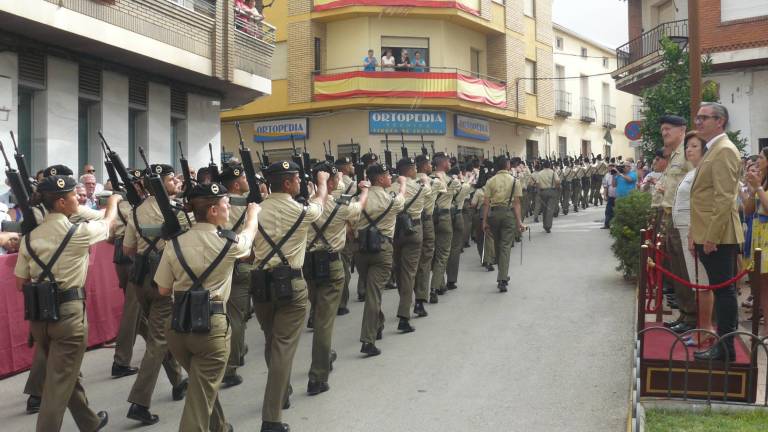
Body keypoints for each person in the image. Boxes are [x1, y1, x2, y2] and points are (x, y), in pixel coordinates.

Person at [14, 174, 119, 431]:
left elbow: (20, 282)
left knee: (64, 372)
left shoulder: (30, 238)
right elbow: (108, 226)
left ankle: (89, 422)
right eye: (74, 195)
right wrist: (114, 201)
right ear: (61, 202)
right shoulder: (77, 233)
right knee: (58, 382)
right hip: (68, 315)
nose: (78, 198)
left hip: (40, 317)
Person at [155, 182, 260, 432]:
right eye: (225, 205)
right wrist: (253, 215)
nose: (228, 209)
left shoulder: (174, 243)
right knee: (200, 395)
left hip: (179, 325)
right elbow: (247, 239)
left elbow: (162, 289)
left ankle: (220, 426)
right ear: (213, 210)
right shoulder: (226, 243)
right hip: (211, 327)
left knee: (201, 385)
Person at [251, 160, 328, 432]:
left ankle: (280, 393)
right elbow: (320, 205)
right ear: (287, 183)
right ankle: (271, 418)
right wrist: (321, 183)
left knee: (272, 341)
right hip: (290, 285)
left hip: (260, 285)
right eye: (296, 178)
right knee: (283, 347)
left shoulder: (256, 209)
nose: (299, 182)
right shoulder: (300, 210)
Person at [123, 164, 188, 425]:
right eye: (172, 180)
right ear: (161, 185)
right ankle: (140, 401)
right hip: (163, 279)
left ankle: (177, 380)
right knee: (158, 339)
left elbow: (128, 249)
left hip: (141, 281)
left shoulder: (136, 211)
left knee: (158, 334)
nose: (176, 183)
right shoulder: (175, 210)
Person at [305, 162, 367, 395]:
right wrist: (365, 190)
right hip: (331, 263)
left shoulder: (305, 204)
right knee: (324, 320)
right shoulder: (340, 206)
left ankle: (326, 353)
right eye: (335, 179)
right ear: (329, 182)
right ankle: (318, 376)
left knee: (318, 309)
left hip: (308, 264)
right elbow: (359, 207)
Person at [690, 102, 744, 362]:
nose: (698, 122)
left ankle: (725, 349)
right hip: (711, 233)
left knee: (724, 292)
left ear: (720, 121)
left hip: (719, 236)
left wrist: (711, 235)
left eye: (704, 118)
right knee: (721, 290)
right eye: (697, 118)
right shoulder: (714, 149)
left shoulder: (723, 150)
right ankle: (724, 347)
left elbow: (724, 199)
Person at [356, 163, 406, 356]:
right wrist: (401, 185)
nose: (389, 178)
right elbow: (402, 199)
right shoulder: (389, 199)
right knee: (374, 294)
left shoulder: (360, 197)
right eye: (387, 175)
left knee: (372, 292)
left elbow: (351, 219)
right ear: (379, 179)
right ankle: (368, 341)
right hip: (382, 248)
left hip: (361, 249)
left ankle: (378, 322)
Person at [655, 115, 697, 336]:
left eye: (668, 129)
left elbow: (696, 182)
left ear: (682, 130)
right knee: (677, 270)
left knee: (686, 270)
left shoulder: (688, 152)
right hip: (671, 216)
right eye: (662, 129)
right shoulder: (673, 155)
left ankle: (693, 317)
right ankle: (685, 313)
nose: (664, 133)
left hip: (684, 218)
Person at [672, 131, 712, 346]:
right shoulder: (693, 171)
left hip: (693, 230)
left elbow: (701, 206)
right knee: (696, 283)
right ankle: (700, 327)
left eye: (694, 146)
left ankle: (706, 330)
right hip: (684, 228)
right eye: (688, 146)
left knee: (702, 282)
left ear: (705, 149)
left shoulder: (703, 172)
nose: (689, 149)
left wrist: (693, 232)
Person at [218, 164, 255, 388]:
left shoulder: (218, 204)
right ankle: (231, 366)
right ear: (235, 183)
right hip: (241, 264)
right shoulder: (247, 206)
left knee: (230, 314)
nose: (245, 180)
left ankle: (238, 349)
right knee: (237, 317)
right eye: (242, 177)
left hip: (221, 265)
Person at [111, 169, 147, 379]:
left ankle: (159, 347)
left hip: (128, 255)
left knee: (139, 309)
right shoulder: (126, 203)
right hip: (129, 257)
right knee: (132, 310)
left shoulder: (134, 202)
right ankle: (121, 361)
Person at [482, 156, 525, 291]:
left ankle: (503, 275)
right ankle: (502, 278)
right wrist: (519, 222)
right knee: (505, 246)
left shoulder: (490, 181)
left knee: (497, 245)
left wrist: (484, 221)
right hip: (508, 214)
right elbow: (517, 203)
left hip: (494, 214)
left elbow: (486, 203)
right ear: (507, 165)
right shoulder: (514, 181)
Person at [392, 157, 425, 332]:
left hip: (395, 231)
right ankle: (404, 316)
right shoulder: (421, 186)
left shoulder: (390, 187)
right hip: (413, 230)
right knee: (409, 273)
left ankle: (404, 301)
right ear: (410, 170)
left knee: (399, 270)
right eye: (414, 168)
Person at [414, 154, 442, 310]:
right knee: (425, 260)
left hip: (409, 223)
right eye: (429, 164)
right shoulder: (435, 182)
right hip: (426, 221)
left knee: (411, 263)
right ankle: (420, 298)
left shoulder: (406, 183)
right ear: (424, 166)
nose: (431, 165)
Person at [430, 153, 459, 298]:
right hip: (444, 217)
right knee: (442, 255)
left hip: (429, 218)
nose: (450, 163)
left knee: (433, 253)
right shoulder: (451, 180)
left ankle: (440, 283)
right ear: (443, 163)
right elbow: (459, 192)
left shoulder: (428, 179)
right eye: (448, 161)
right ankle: (435, 288)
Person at [332, 157, 357, 315]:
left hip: (329, 229)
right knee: (344, 266)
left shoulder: (329, 185)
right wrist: (352, 228)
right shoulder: (352, 185)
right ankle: (341, 303)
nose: (353, 166)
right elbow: (352, 209)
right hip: (344, 228)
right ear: (346, 168)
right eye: (351, 164)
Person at [446, 166, 470, 289]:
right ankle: (451, 279)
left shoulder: (441, 183)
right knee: (455, 249)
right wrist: (462, 178)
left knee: (443, 250)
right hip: (457, 215)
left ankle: (438, 281)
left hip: (444, 216)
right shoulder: (462, 185)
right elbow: (467, 187)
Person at [533, 159, 560, 233]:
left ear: (543, 166)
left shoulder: (540, 173)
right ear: (550, 165)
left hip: (543, 192)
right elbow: (557, 181)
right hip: (551, 191)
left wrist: (538, 192)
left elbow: (537, 184)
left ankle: (545, 225)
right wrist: (557, 189)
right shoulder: (553, 172)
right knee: (550, 209)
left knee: (544, 209)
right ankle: (548, 226)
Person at [602, 163, 616, 229]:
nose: (611, 168)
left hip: (618, 195)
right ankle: (606, 224)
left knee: (616, 211)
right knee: (608, 210)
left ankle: (615, 225)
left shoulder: (618, 175)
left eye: (612, 167)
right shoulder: (607, 175)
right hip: (610, 195)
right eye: (609, 167)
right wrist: (605, 195)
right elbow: (605, 186)